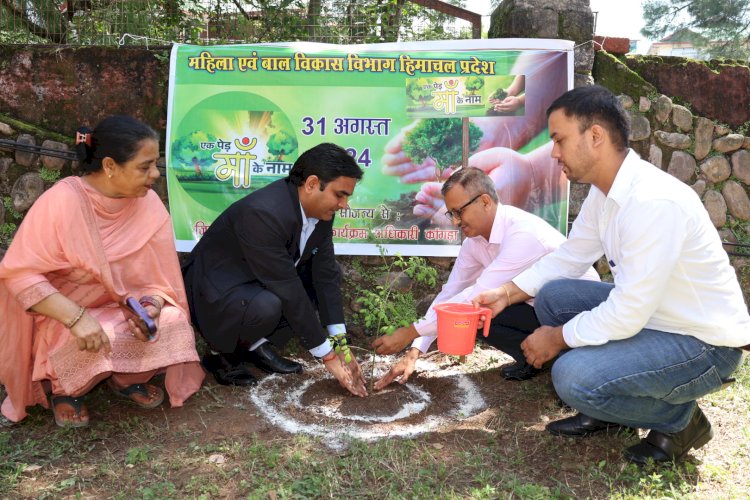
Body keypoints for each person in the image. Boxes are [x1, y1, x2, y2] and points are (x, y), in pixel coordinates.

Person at [473, 85, 750, 464]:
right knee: (556, 296)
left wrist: (557, 337)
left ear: (596, 136)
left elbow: (629, 311)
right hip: (656, 318)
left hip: (703, 343)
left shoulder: (652, 201)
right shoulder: (606, 195)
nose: (553, 153)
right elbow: (570, 257)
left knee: (572, 377)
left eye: (559, 139)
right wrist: (507, 292)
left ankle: (681, 421)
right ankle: (612, 413)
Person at [0, 115, 205, 428]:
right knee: (100, 332)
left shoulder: (148, 203)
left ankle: (126, 377)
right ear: (110, 166)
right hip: (62, 314)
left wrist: (151, 306)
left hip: (121, 307)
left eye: (155, 164)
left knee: (172, 322)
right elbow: (19, 275)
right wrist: (77, 318)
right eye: (144, 166)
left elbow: (161, 281)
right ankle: (66, 389)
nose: (154, 175)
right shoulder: (62, 202)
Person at [370, 167, 599, 389]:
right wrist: (415, 350)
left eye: (459, 212)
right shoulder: (474, 243)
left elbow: (475, 297)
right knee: (479, 317)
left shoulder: (522, 233)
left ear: (485, 202)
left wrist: (410, 331)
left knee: (479, 306)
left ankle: (570, 357)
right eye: (451, 214)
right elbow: (451, 293)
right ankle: (538, 359)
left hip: (575, 310)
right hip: (537, 306)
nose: (455, 222)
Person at [182, 143, 368, 397]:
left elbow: (324, 275)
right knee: (269, 304)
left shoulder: (321, 211)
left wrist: (341, 345)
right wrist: (328, 356)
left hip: (254, 282)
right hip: (214, 295)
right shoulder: (264, 213)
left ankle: (253, 345)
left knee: (325, 274)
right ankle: (220, 355)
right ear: (312, 184)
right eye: (340, 195)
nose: (344, 205)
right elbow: (287, 287)